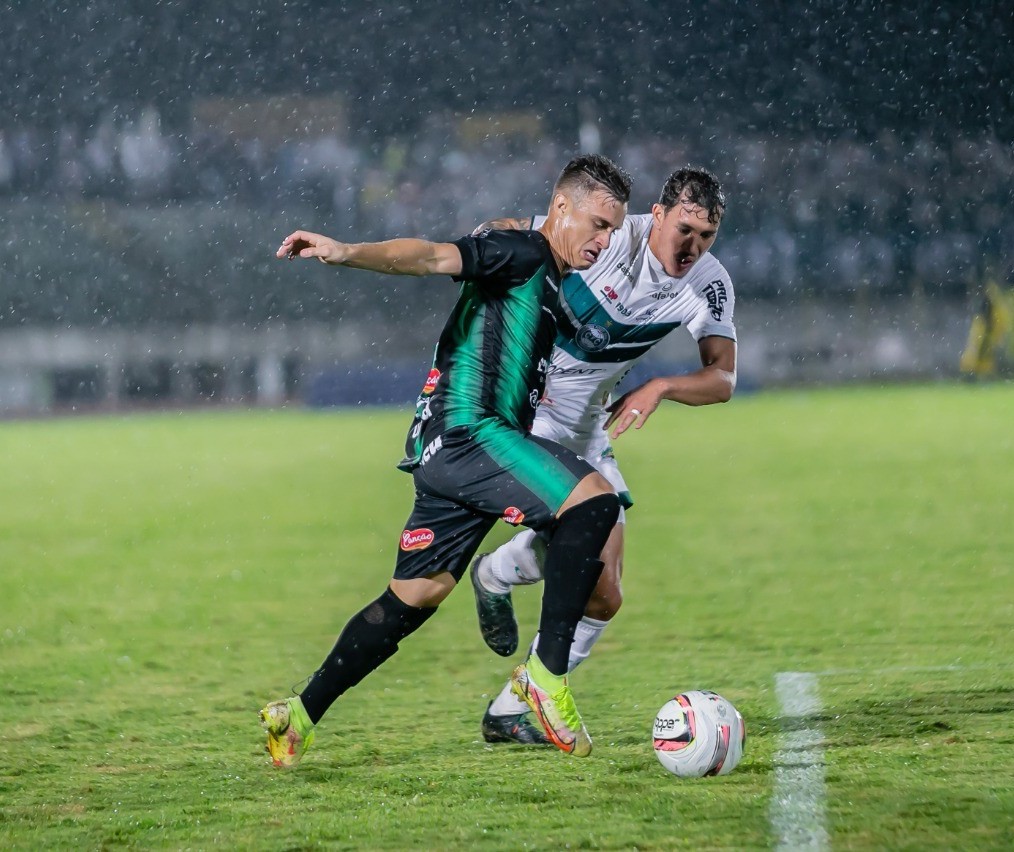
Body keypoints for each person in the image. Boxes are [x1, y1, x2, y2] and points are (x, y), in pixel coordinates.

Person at [259, 154, 632, 767]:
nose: (604, 240)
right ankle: (544, 680)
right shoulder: (524, 252)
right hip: (470, 432)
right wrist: (344, 251)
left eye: (612, 230)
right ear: (560, 207)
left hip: (447, 451)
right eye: (596, 223)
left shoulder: (551, 282)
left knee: (415, 594)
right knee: (593, 503)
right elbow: (434, 256)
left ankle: (297, 715)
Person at [469, 167, 737, 746]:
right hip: (528, 410)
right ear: (658, 215)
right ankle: (506, 609)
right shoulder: (609, 236)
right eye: (684, 229)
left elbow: (723, 377)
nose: (691, 247)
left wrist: (661, 385)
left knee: (606, 593)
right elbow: (513, 229)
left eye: (706, 236)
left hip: (588, 428)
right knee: (586, 539)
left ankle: (510, 700)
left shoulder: (708, 284)